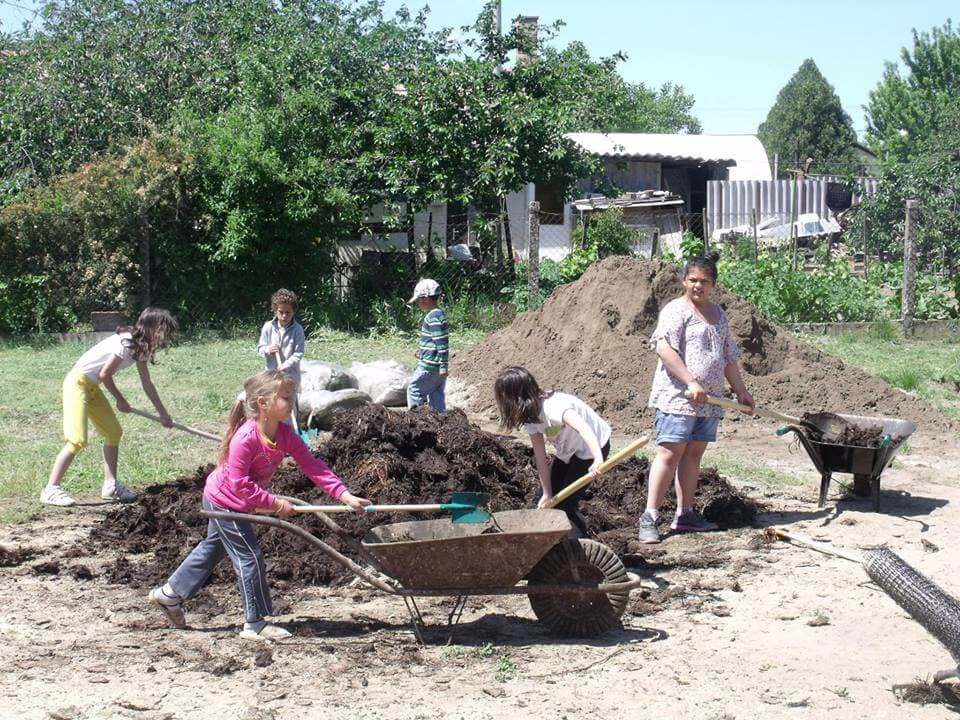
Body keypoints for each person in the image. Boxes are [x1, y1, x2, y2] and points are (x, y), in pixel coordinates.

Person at [148, 370, 370, 641]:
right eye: (286, 398)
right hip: (224, 501)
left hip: (234, 499)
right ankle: (254, 623)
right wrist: (275, 504)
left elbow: (313, 466)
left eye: (292, 397)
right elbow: (239, 483)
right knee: (249, 557)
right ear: (263, 403)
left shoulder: (285, 434)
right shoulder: (246, 438)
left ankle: (169, 594)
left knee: (214, 547)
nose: (292, 403)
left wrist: (344, 495)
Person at [640, 255, 754, 544]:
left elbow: (728, 358)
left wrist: (741, 391)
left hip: (710, 401)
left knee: (693, 454)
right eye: (693, 280)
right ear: (684, 281)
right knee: (670, 453)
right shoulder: (675, 311)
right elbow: (663, 347)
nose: (698, 286)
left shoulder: (719, 315)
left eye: (704, 281)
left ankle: (685, 514)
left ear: (713, 284)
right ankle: (650, 516)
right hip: (678, 397)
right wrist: (690, 381)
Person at [41, 307, 179, 507]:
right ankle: (51, 489)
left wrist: (163, 413)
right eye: (164, 332)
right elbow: (106, 374)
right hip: (77, 383)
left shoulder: (142, 348)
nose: (165, 338)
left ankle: (110, 485)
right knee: (77, 439)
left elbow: (147, 383)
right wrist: (121, 400)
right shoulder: (126, 343)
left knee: (113, 432)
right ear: (153, 328)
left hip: (92, 387)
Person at [494, 366, 611, 537]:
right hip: (567, 451)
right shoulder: (530, 418)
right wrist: (547, 492)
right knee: (545, 502)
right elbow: (540, 458)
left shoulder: (554, 408)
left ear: (517, 397)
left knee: (565, 504)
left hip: (592, 448)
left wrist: (598, 460)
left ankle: (580, 550)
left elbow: (585, 430)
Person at [257, 288, 305, 428]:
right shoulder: (268, 327)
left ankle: (291, 434)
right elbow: (260, 348)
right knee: (272, 403)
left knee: (288, 407)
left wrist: (286, 365)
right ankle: (272, 430)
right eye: (281, 312)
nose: (284, 316)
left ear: (293, 312)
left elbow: (298, 354)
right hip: (272, 375)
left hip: (290, 376)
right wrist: (268, 350)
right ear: (275, 311)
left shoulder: (298, 330)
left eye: (288, 312)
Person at [406, 278, 449, 412]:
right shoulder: (440, 314)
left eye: (419, 299)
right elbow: (435, 341)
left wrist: (443, 365)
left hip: (429, 366)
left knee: (414, 390)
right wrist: (422, 351)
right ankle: (441, 420)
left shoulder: (432, 317)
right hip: (436, 367)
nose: (418, 302)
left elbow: (441, 343)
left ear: (425, 298)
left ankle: (417, 421)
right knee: (436, 393)